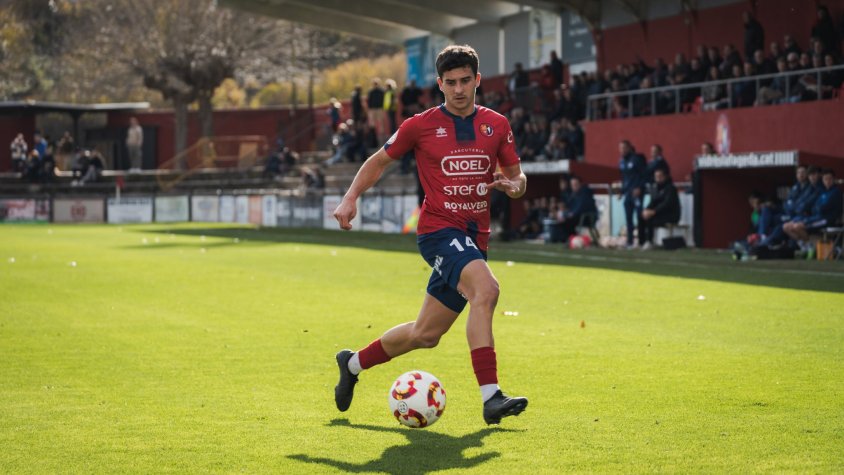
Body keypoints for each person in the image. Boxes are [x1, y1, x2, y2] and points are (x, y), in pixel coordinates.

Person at [332, 44, 528, 425]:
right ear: (439, 83)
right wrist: (350, 197)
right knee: (486, 291)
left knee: (425, 334)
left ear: (477, 80)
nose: (458, 89)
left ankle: (352, 364)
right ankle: (491, 397)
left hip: (475, 239)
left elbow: (518, 178)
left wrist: (513, 185)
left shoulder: (497, 125)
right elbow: (378, 162)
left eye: (465, 81)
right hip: (438, 231)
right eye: (450, 82)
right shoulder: (419, 125)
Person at [783, 169, 842, 255]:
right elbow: (815, 208)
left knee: (797, 227)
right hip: (817, 217)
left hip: (827, 219)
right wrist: (817, 208)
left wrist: (817, 208)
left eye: (829, 179)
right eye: (825, 179)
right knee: (786, 226)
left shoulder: (835, 192)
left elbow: (822, 208)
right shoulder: (823, 192)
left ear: (833, 180)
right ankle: (805, 245)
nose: (827, 181)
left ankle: (810, 248)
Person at [640, 168, 681, 249]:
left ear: (665, 177)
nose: (658, 179)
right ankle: (641, 242)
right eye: (656, 176)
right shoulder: (656, 189)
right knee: (641, 217)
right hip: (659, 214)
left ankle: (649, 242)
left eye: (660, 176)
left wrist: (654, 212)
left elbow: (667, 204)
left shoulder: (670, 188)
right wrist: (646, 210)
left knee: (650, 219)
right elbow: (653, 202)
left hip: (671, 215)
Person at [617, 140, 647, 248]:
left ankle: (642, 241)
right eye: (621, 148)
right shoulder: (621, 162)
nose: (622, 150)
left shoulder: (636, 159)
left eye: (624, 148)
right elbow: (624, 178)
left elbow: (644, 174)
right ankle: (630, 241)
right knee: (628, 218)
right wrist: (622, 191)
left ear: (629, 147)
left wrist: (639, 187)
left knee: (639, 216)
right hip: (628, 194)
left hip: (637, 193)